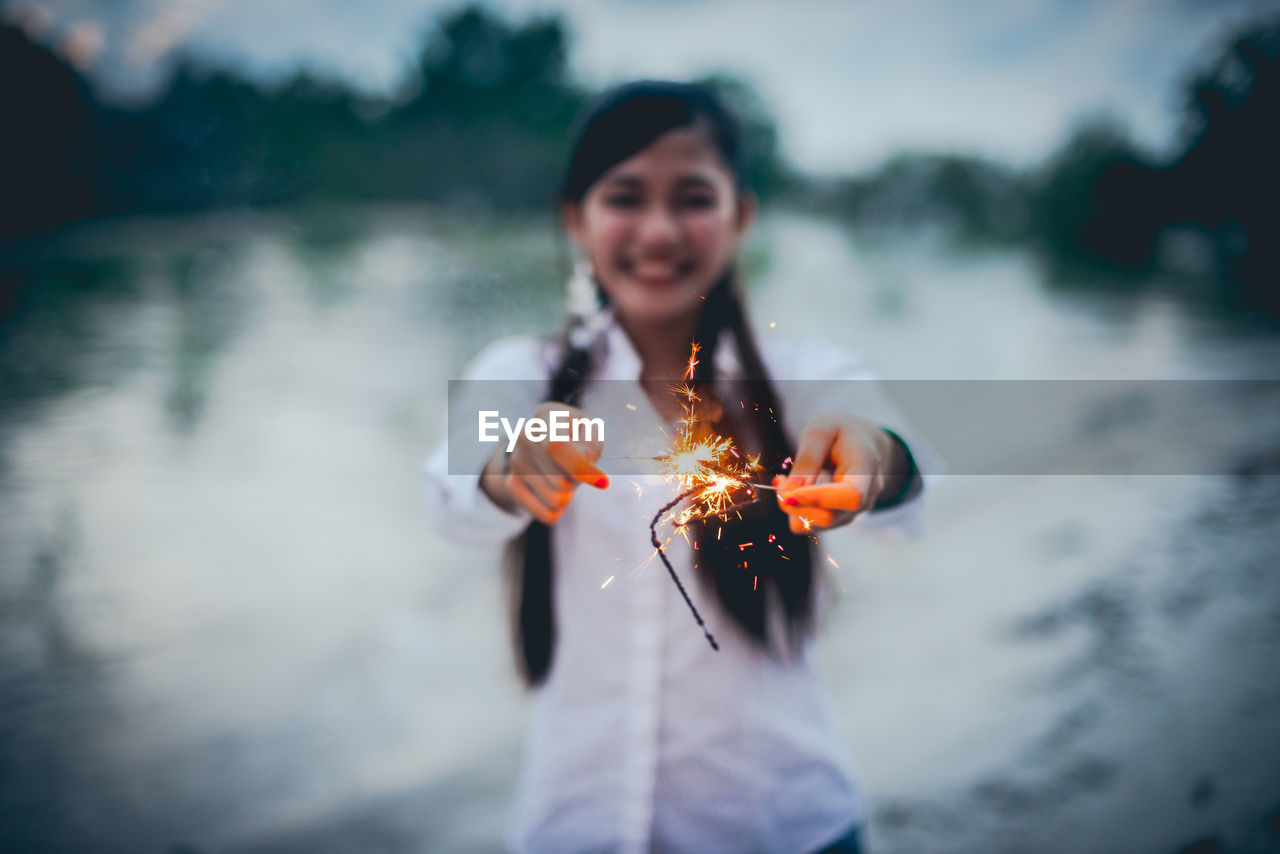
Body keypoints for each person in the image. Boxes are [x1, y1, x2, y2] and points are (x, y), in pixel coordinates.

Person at [424, 80, 932, 854]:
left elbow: (900, 461)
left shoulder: (801, 375)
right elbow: (451, 488)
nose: (658, 232)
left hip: (783, 822)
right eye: (624, 197)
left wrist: (873, 460)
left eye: (693, 198)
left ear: (741, 217)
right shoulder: (520, 372)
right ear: (575, 218)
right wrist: (510, 467)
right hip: (576, 820)